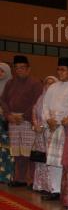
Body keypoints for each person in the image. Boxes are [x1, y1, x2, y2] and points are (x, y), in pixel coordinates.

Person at [0, 55, 42, 187]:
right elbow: (3, 100)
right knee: (17, 152)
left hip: (28, 120)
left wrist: (24, 116)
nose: (19, 70)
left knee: (29, 152)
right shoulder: (10, 83)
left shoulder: (35, 83)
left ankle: (30, 180)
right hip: (13, 120)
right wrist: (8, 115)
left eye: (22, 67)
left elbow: (37, 102)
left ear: (28, 69)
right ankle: (19, 178)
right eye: (16, 67)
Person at [42, 57, 68, 202]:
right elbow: (45, 105)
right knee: (51, 160)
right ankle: (54, 189)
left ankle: (61, 190)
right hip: (51, 127)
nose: (60, 72)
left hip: (65, 128)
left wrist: (58, 122)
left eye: (63, 70)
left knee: (60, 160)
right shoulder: (53, 87)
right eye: (58, 69)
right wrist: (48, 119)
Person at [31, 75, 58, 193]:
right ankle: (39, 185)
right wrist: (36, 125)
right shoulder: (40, 98)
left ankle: (49, 186)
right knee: (40, 159)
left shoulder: (57, 100)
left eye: (52, 83)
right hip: (39, 134)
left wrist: (43, 126)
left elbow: (55, 116)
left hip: (50, 133)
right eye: (47, 83)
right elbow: (34, 113)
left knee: (48, 159)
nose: (49, 86)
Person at [0, 62, 13, 183]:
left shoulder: (11, 85)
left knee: (7, 149)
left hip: (6, 121)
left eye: (2, 70)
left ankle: (6, 175)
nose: (0, 73)